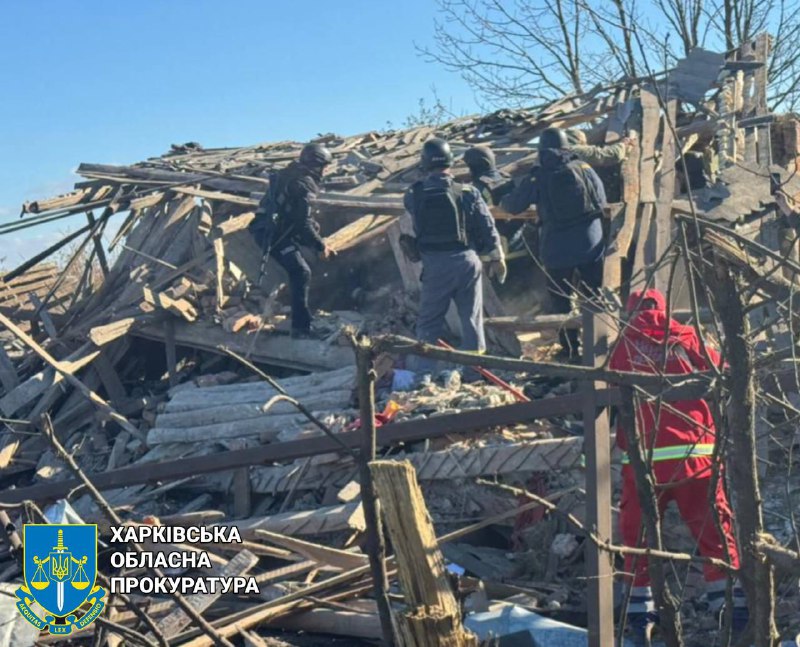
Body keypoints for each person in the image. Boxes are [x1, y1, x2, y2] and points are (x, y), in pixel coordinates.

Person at [609, 288, 747, 644]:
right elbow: (728, 373)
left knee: (637, 542)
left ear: (629, 313)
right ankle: (734, 617)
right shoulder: (687, 337)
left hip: (644, 464)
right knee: (715, 535)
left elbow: (607, 388)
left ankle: (641, 623)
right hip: (696, 459)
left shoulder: (625, 346)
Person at [500, 126, 607, 360]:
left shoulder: (539, 174)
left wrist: (504, 198)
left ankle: (570, 351)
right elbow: (601, 199)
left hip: (557, 249)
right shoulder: (584, 167)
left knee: (561, 301)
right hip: (592, 243)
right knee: (594, 296)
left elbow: (513, 205)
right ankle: (600, 348)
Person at [404, 138, 506, 379]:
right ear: (451, 162)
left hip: (435, 264)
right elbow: (487, 225)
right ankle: (475, 373)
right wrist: (496, 255)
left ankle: (423, 375)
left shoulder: (413, 194)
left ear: (424, 163)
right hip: (467, 261)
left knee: (429, 322)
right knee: (472, 319)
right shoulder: (468, 192)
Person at [248, 143, 336, 339]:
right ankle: (301, 329)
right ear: (317, 165)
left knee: (300, 267)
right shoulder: (305, 184)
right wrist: (320, 246)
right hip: (273, 234)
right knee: (301, 271)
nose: (327, 171)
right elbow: (302, 224)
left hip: (269, 229)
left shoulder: (289, 174)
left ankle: (301, 321)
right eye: (325, 166)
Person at [565, 128, 631, 166]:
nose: (585, 145)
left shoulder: (559, 150)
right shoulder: (573, 150)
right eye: (582, 143)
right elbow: (610, 155)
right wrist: (622, 144)